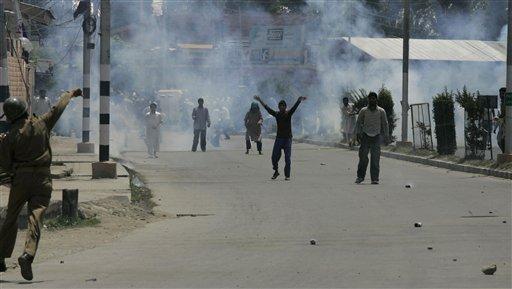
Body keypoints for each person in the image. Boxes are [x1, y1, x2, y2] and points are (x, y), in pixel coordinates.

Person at [0, 88, 82, 281]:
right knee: (35, 217)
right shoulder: (42, 123)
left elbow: (4, 164)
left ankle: (0, 256)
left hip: (20, 179)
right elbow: (58, 107)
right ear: (24, 110)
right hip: (42, 179)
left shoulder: (9, 137)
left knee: (11, 217)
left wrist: (11, 177)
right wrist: (70, 93)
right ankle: (28, 254)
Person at [254, 95, 307, 180]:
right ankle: (276, 171)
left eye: (283, 106)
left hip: (287, 139)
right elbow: (267, 109)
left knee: (287, 159)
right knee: (274, 157)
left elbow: (294, 107)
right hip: (279, 139)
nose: (281, 107)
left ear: (285, 107)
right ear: (278, 107)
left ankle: (287, 175)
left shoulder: (288, 113)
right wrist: (260, 100)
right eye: (280, 106)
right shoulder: (277, 114)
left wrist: (299, 100)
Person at [354, 92, 389, 185]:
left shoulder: (381, 111)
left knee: (375, 159)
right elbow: (358, 122)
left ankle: (375, 178)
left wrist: (386, 136)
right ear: (368, 100)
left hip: (376, 137)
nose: (372, 100)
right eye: (370, 99)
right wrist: (357, 134)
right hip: (365, 136)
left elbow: (385, 124)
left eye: (374, 98)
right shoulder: (363, 111)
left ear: (376, 100)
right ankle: (360, 177)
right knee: (363, 158)